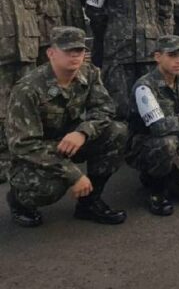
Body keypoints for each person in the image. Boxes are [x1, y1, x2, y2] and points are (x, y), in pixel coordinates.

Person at [5, 27, 128, 227]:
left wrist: (83, 131)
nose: (75, 56)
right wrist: (73, 173)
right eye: (68, 50)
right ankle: (19, 201)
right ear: (51, 53)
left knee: (117, 132)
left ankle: (89, 202)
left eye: (79, 50)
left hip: (73, 141)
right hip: (39, 153)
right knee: (48, 188)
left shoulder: (89, 73)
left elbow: (105, 108)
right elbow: (23, 145)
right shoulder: (28, 89)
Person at [86, 0, 174, 119]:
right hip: (118, 54)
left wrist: (162, 40)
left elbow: (166, 11)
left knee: (153, 106)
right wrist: (113, 31)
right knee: (120, 107)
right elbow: (94, 10)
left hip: (150, 53)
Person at [127, 35, 179, 215]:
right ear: (158, 57)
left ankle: (168, 174)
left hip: (176, 143)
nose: (178, 61)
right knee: (167, 142)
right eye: (172, 55)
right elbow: (158, 128)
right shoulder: (144, 86)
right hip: (146, 145)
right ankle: (156, 190)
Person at [0, 0, 44, 184]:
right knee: (2, 111)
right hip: (1, 55)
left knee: (27, 108)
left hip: (26, 52)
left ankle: (26, 157)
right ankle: (4, 159)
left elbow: (38, 7)